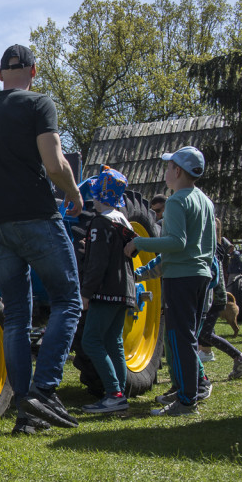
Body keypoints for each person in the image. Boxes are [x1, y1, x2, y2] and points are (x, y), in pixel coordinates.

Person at [0, 43, 83, 435]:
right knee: (67, 300)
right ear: (33, 71)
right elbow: (53, 162)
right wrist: (74, 193)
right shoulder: (38, 104)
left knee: (15, 317)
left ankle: (27, 415)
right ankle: (43, 391)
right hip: (37, 217)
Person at [124, 146, 215, 416]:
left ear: (177, 171)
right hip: (200, 277)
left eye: (168, 166)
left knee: (178, 339)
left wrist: (138, 242)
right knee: (187, 337)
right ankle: (189, 387)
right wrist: (143, 273)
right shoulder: (205, 201)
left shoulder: (177, 201)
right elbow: (193, 249)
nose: (165, 171)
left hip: (181, 280)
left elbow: (176, 243)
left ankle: (187, 401)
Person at [79, 167, 136, 414]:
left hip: (105, 291)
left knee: (91, 341)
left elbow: (97, 263)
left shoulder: (99, 224)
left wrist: (86, 292)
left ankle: (114, 393)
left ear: (98, 195)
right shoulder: (122, 221)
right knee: (114, 342)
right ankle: (120, 394)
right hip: (124, 291)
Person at [197, 218, 242, 380]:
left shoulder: (214, 248)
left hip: (215, 297)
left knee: (203, 333)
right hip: (214, 296)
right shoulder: (215, 247)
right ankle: (240, 358)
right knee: (202, 333)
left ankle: (241, 358)